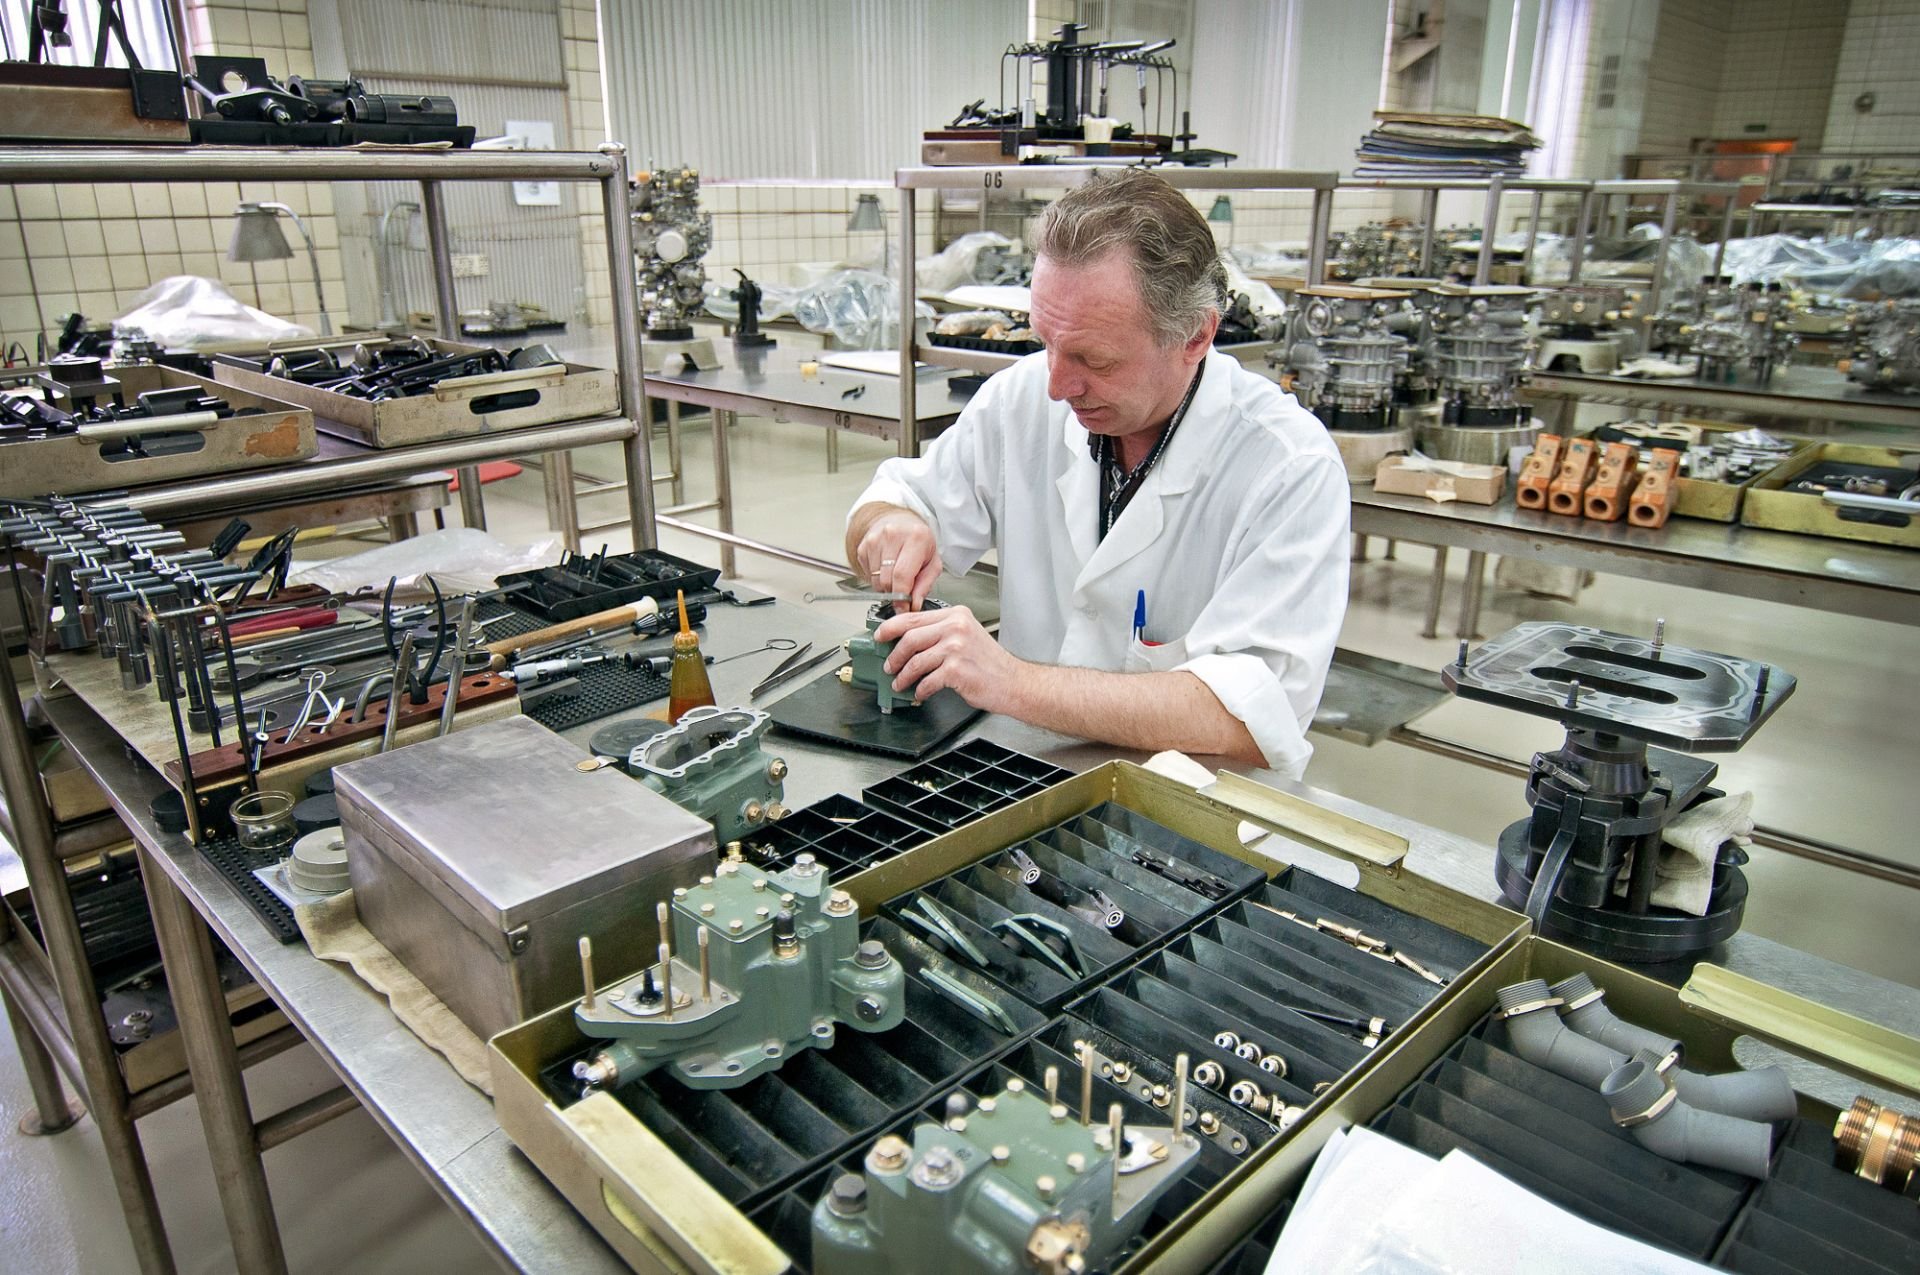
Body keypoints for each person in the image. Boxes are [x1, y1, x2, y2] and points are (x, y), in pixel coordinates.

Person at [844, 169, 1349, 776]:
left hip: (1183, 803)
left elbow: (1247, 719)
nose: (1058, 385)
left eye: (1094, 358)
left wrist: (1010, 681)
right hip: (1024, 772)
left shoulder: (1288, 468)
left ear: (1195, 336)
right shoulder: (1021, 399)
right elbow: (898, 500)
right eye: (1046, 342)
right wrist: (890, 527)